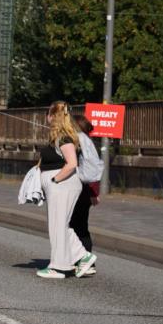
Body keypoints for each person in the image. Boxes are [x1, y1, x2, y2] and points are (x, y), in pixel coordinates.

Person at [35, 101, 97, 279]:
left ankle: (59, 266)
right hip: (60, 186)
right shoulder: (58, 137)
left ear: (54, 116)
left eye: (49, 113)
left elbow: (71, 164)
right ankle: (81, 256)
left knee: (58, 226)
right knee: (59, 225)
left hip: (63, 186)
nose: (47, 118)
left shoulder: (64, 138)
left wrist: (55, 180)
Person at [69, 115, 99, 276]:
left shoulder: (81, 143)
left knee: (75, 227)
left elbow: (91, 169)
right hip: (85, 192)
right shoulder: (87, 142)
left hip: (80, 191)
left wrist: (94, 192)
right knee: (80, 226)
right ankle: (83, 260)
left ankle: (85, 259)